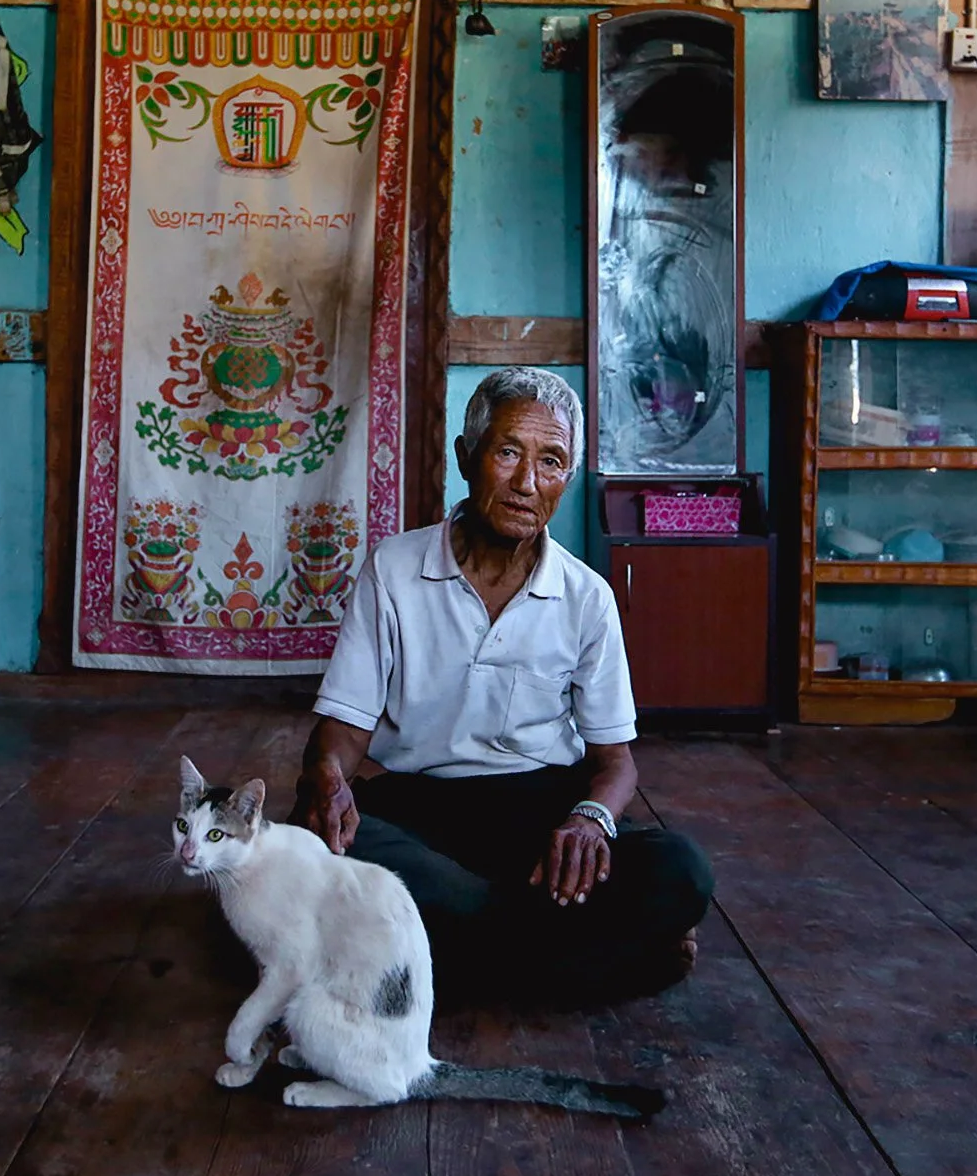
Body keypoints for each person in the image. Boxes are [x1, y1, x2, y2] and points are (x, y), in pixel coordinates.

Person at [292, 367, 714, 1003]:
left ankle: (445, 961)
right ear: (467, 457)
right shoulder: (395, 570)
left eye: (551, 462)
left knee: (681, 870)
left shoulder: (586, 597)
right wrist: (326, 781)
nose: (526, 483)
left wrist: (589, 821)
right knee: (318, 848)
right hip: (418, 810)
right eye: (509, 452)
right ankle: (581, 962)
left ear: (565, 480)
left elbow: (615, 764)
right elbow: (343, 734)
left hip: (539, 817)